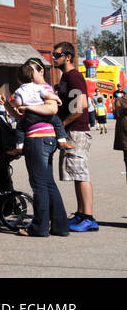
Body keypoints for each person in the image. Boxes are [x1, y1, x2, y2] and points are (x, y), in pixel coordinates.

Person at [8, 59, 70, 237]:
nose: (32, 75)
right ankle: (60, 225)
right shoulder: (40, 90)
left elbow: (52, 110)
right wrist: (8, 105)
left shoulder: (41, 89)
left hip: (37, 139)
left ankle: (40, 227)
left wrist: (25, 106)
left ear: (40, 71)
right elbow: (20, 116)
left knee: (39, 184)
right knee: (48, 183)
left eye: (33, 71)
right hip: (48, 139)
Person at [52, 43, 97, 232]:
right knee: (76, 174)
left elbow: (82, 104)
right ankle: (80, 214)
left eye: (57, 54)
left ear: (68, 56)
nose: (54, 58)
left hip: (77, 131)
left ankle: (88, 217)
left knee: (81, 173)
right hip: (71, 130)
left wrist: (63, 123)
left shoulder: (74, 76)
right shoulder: (66, 77)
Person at [7, 61, 71, 153]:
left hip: (30, 116)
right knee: (57, 122)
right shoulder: (39, 87)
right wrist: (57, 98)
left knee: (20, 128)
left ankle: (19, 147)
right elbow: (47, 95)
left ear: (19, 80)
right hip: (44, 115)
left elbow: (18, 102)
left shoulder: (19, 91)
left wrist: (12, 104)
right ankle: (62, 141)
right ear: (32, 76)